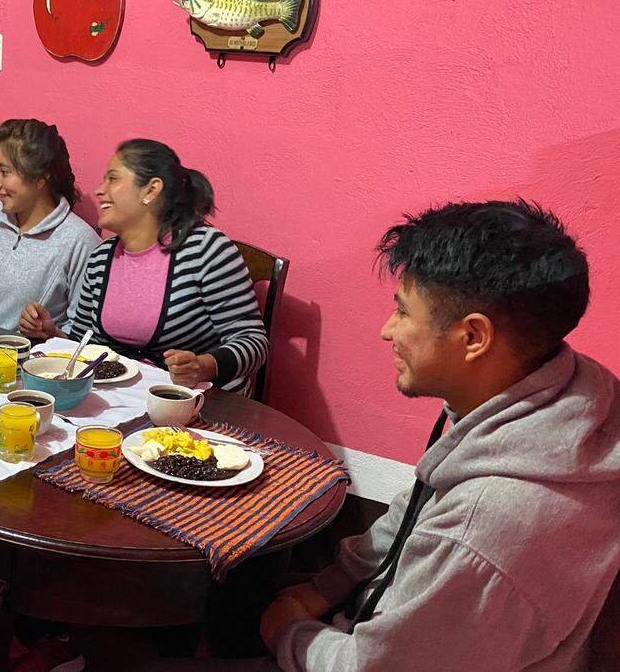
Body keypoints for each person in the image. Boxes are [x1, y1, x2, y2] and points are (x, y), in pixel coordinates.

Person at [257, 201, 620, 670]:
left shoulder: (483, 527)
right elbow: (421, 499)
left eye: (403, 312)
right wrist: (321, 589)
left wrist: (287, 630)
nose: (388, 331)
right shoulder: (562, 389)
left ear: (473, 337)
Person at [19, 139, 267, 393]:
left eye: (112, 179)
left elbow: (253, 340)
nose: (99, 191)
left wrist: (204, 366)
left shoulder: (205, 249)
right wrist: (51, 334)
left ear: (151, 190)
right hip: (123, 401)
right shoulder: (101, 258)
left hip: (198, 403)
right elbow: (85, 343)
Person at [0, 119, 99, 331]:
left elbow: (82, 329)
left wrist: (49, 333)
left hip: (21, 362)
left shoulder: (79, 241)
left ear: (40, 179)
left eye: (5, 172)